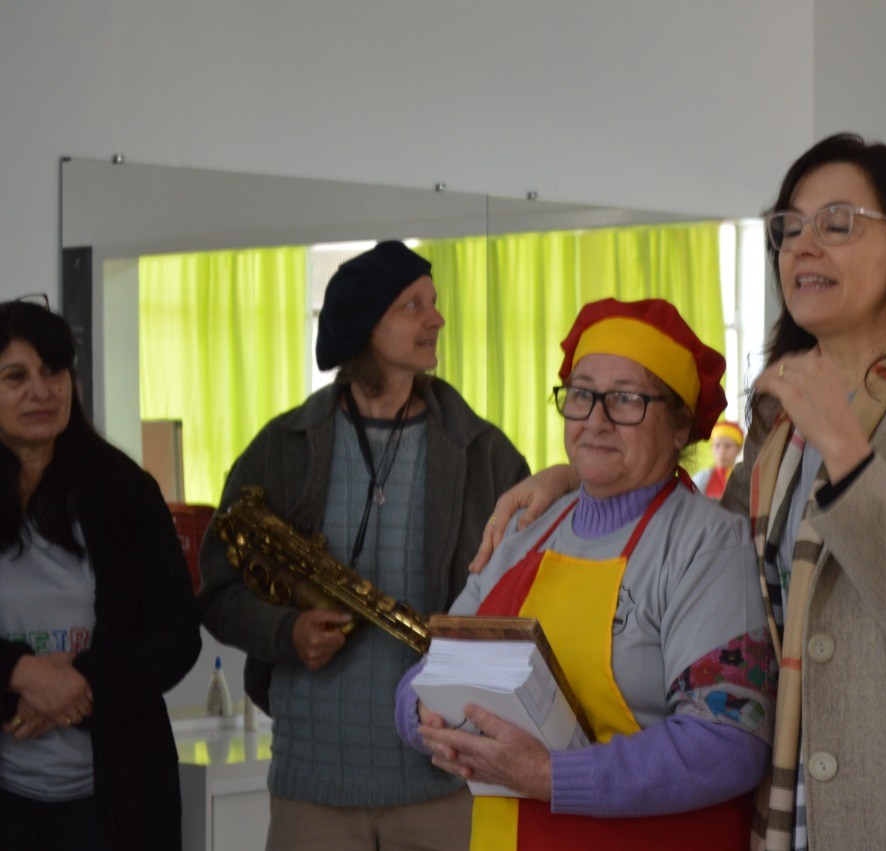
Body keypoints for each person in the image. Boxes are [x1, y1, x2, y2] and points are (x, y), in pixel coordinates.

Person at [470, 134, 886, 850]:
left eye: (838, 223)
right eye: (789, 227)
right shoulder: (781, 418)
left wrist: (847, 451)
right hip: (801, 806)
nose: (803, 246)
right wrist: (583, 474)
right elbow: (726, 568)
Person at [396, 297, 775, 850]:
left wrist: (549, 776)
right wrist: (423, 715)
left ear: (679, 429)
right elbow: (432, 664)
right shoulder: (524, 529)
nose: (595, 420)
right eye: (581, 395)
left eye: (625, 400)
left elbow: (729, 741)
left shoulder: (706, 545)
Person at [197, 241, 530, 851]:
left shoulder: (484, 455)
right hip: (311, 790)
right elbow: (218, 589)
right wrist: (284, 634)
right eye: (413, 305)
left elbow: (525, 602)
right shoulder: (282, 447)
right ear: (364, 325)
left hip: (448, 784)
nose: (437, 319)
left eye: (434, 303)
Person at [0, 297, 202, 851]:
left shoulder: (125, 491)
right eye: (16, 376)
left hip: (117, 800)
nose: (42, 391)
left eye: (54, 371)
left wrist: (81, 684)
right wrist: (20, 675)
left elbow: (175, 631)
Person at [691, 418, 743, 499]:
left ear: (739, 449)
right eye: (717, 445)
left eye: (728, 446)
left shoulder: (744, 479)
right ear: (711, 447)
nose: (721, 451)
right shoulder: (702, 478)